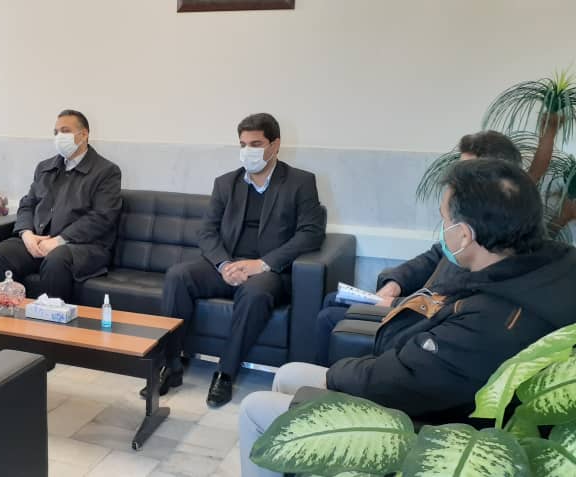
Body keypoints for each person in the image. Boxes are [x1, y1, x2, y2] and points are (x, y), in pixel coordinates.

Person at [238, 159, 576, 477]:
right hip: (430, 390)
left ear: (465, 234)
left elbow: (402, 381)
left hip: (431, 433)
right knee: (289, 373)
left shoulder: (494, 320)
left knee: (254, 408)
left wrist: (337, 376)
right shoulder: (546, 270)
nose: (442, 230)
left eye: (444, 220)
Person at [155, 113, 326, 407]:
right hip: (228, 265)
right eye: (243, 144)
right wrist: (223, 265)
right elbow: (207, 231)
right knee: (178, 275)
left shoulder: (300, 182)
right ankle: (169, 365)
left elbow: (311, 234)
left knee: (254, 292)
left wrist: (262, 264)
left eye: (256, 144)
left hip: (269, 271)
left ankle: (225, 373)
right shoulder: (226, 183)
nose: (248, 151)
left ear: (275, 145)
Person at [312, 130, 523, 364]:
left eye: (465, 176)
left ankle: (319, 381)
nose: (455, 183)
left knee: (329, 318)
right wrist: (395, 283)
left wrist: (396, 304)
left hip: (424, 321)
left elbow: (450, 305)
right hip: (416, 305)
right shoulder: (465, 228)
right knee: (333, 299)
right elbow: (435, 255)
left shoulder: (490, 246)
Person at [0, 109, 122, 302]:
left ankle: (52, 320)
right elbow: (27, 204)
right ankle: (7, 316)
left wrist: (59, 240)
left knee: (56, 260)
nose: (59, 137)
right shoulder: (45, 167)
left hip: (83, 247)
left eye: (65, 131)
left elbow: (102, 217)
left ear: (84, 134)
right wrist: (26, 234)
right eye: (56, 132)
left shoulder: (106, 171)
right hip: (40, 240)